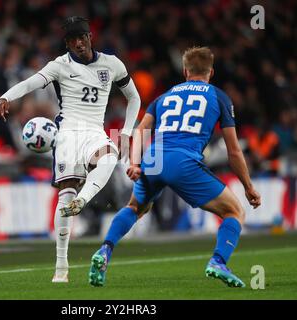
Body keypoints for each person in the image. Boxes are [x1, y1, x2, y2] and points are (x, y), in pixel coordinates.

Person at [88, 47, 261, 288]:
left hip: (153, 159)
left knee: (135, 207)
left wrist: (135, 163)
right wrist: (249, 187)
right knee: (234, 212)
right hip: (183, 162)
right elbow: (233, 151)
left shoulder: (164, 96)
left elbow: (139, 131)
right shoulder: (219, 96)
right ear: (211, 72)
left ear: (185, 71)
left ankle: (105, 250)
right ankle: (218, 261)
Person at [0, 16, 140, 283]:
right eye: (72, 40)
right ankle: (61, 269)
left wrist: (127, 133)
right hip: (68, 134)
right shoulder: (59, 65)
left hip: (95, 131)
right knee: (65, 196)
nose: (77, 43)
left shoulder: (112, 63)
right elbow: (31, 83)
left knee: (110, 156)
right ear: (67, 43)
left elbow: (134, 97)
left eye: (81, 37)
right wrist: (6, 97)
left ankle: (84, 199)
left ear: (89, 37)